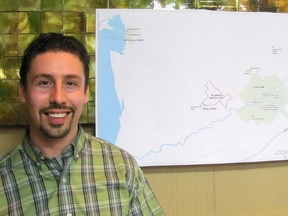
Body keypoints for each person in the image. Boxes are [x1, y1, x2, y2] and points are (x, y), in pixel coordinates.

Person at [0, 33, 164, 215]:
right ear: (22, 91)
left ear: (86, 92)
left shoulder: (122, 168)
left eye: (70, 83)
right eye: (45, 82)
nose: (58, 98)